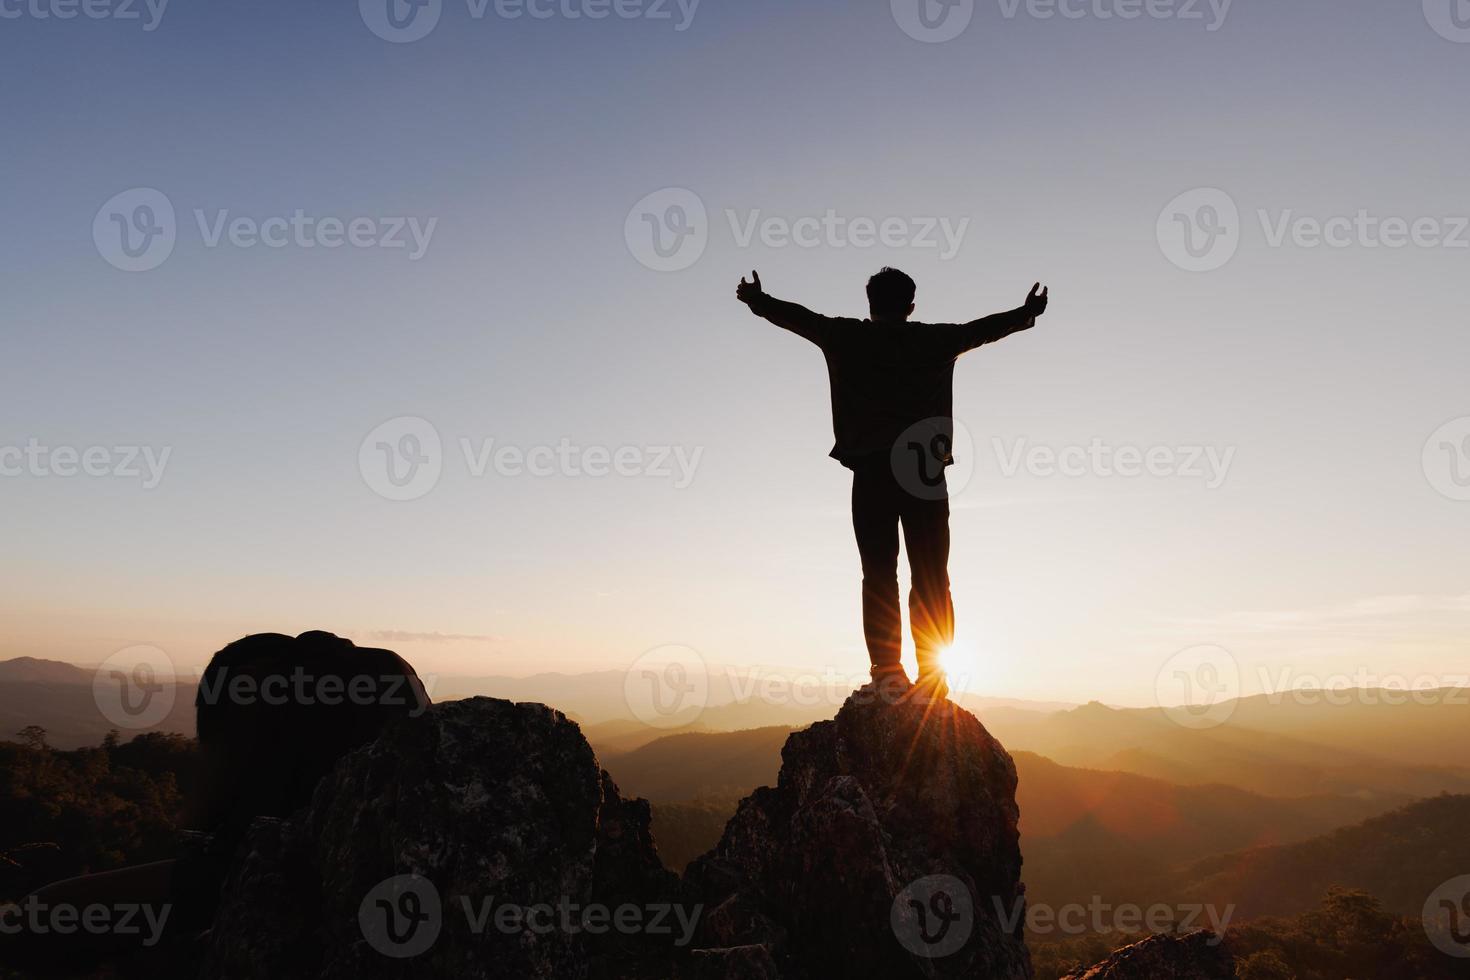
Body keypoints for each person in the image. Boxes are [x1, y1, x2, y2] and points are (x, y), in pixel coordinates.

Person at [737, 267, 1048, 698]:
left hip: (871, 469)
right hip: (924, 471)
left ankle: (887, 673)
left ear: (870, 303)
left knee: (879, 574)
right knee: (932, 575)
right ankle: (933, 678)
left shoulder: (846, 337)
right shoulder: (935, 341)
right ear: (911, 306)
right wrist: (1026, 312)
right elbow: (985, 330)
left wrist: (758, 300)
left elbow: (799, 318)